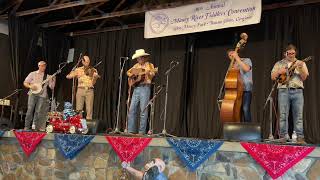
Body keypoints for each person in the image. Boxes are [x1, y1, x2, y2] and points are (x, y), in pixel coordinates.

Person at [271, 44, 309, 143]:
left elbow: (304, 77)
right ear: (285, 53)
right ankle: (283, 137)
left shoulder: (300, 63)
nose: (291, 55)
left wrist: (300, 68)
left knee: (298, 116)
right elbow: (272, 77)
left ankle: (300, 137)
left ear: (295, 53)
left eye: (293, 53)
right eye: (289, 53)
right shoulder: (279, 63)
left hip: (297, 91)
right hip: (283, 90)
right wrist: (280, 71)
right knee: (283, 115)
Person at [127, 49, 156, 134]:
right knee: (132, 109)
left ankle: (141, 132)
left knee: (143, 110)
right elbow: (128, 72)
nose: (138, 60)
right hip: (136, 88)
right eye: (137, 58)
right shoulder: (136, 65)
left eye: (139, 58)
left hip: (145, 88)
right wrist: (133, 75)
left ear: (143, 57)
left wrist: (148, 73)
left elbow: (153, 73)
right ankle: (131, 130)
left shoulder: (150, 65)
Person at [23, 60, 55, 131]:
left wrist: (53, 80)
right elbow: (25, 83)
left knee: (38, 111)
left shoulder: (48, 76)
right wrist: (31, 87)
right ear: (38, 66)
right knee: (30, 110)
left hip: (42, 95)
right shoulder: (32, 74)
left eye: (44, 66)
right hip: (32, 94)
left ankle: (34, 127)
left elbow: (51, 87)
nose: (42, 67)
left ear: (45, 67)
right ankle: (26, 126)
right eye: (41, 65)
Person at [66, 55, 100, 120]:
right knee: (79, 110)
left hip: (89, 91)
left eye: (88, 62)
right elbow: (68, 76)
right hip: (80, 90)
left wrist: (95, 78)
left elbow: (93, 83)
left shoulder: (93, 70)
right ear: (82, 62)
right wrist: (75, 73)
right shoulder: (78, 69)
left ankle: (87, 128)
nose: (88, 63)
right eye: (86, 62)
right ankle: (80, 127)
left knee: (89, 110)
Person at [227, 50, 253, 122]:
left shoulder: (246, 60)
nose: (232, 56)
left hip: (246, 90)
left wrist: (237, 58)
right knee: (236, 111)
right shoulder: (232, 65)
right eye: (230, 55)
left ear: (236, 53)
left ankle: (249, 129)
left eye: (232, 54)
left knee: (245, 109)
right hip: (235, 92)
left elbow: (247, 69)